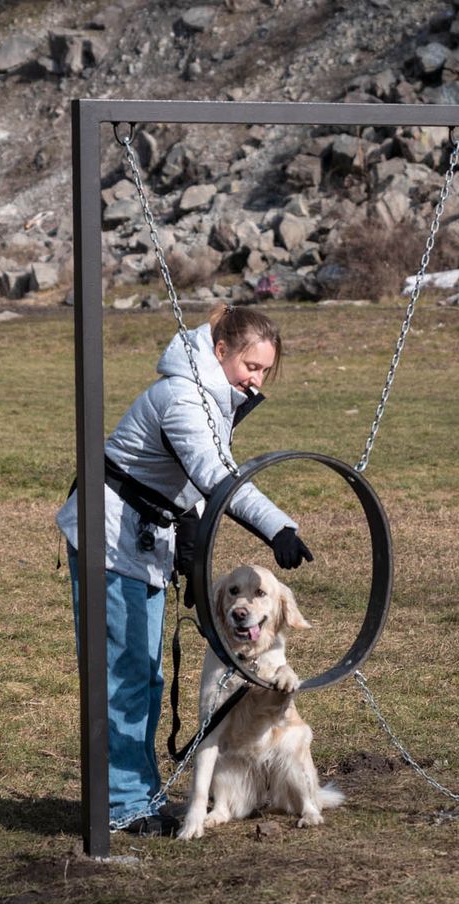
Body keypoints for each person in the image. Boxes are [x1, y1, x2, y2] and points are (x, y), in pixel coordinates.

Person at [55, 304, 312, 837]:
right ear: (220, 352)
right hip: (110, 537)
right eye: (251, 366)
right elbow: (213, 475)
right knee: (123, 676)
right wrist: (278, 528)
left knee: (144, 678)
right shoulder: (183, 397)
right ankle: (122, 805)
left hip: (143, 540)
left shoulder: (212, 397)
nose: (257, 379)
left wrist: (191, 557)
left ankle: (138, 796)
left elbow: (189, 490)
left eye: (265, 371)